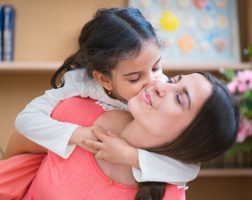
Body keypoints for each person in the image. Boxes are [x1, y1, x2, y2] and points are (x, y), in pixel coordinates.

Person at [0, 72, 239, 200]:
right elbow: (15, 157)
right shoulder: (75, 110)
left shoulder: (167, 192)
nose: (161, 86)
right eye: (175, 80)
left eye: (180, 99)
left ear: (191, 138)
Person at [14, 7, 199, 185]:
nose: (153, 82)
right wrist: (78, 135)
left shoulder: (164, 91)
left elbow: (190, 169)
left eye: (156, 67)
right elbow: (26, 120)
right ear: (103, 79)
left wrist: (130, 155)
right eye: (135, 78)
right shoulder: (81, 82)